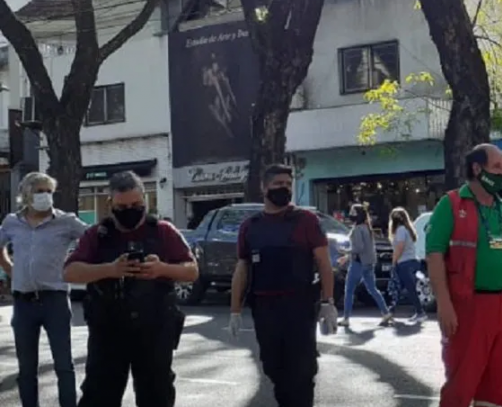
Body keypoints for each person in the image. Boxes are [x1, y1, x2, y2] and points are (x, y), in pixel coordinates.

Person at [424, 143, 502, 407]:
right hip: (470, 306)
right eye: (497, 167)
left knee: (497, 388)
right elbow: (434, 256)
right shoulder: (452, 204)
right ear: (477, 169)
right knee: (461, 385)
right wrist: (444, 304)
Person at [64, 171, 197, 407]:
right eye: (122, 206)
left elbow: (192, 270)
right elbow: (70, 271)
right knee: (99, 396)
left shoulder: (164, 231)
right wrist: (110, 270)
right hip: (108, 331)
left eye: (136, 204)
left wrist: (162, 269)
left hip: (154, 330)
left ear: (145, 200)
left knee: (156, 395)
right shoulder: (97, 235)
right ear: (110, 204)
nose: (130, 211)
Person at [228, 164, 337, 407]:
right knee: (274, 368)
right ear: (264, 188)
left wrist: (328, 303)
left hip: (299, 307)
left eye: (288, 185)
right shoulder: (251, 227)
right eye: (278, 185)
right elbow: (242, 268)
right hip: (266, 309)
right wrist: (235, 310)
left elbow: (323, 262)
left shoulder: (306, 220)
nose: (284, 189)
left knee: (301, 373)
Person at [0, 172, 87, 407]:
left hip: (55, 300)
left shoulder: (66, 221)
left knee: (63, 365)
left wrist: (75, 266)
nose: (45, 196)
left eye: (48, 191)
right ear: (26, 194)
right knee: (26, 368)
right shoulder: (12, 222)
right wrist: (11, 269)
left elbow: (91, 239)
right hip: (23, 302)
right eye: (39, 191)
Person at [338, 203, 393, 327]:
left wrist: (346, 251)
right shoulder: (367, 227)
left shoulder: (357, 229)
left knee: (349, 290)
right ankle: (385, 312)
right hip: (368, 262)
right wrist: (347, 257)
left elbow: (359, 248)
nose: (350, 214)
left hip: (358, 263)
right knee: (373, 289)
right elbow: (365, 247)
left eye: (352, 212)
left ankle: (346, 318)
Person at [388, 207, 426, 323]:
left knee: (407, 289)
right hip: (411, 261)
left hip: (404, 263)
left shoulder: (400, 230)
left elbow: (399, 248)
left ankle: (420, 312)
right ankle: (391, 311)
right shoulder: (407, 229)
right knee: (402, 289)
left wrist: (393, 262)